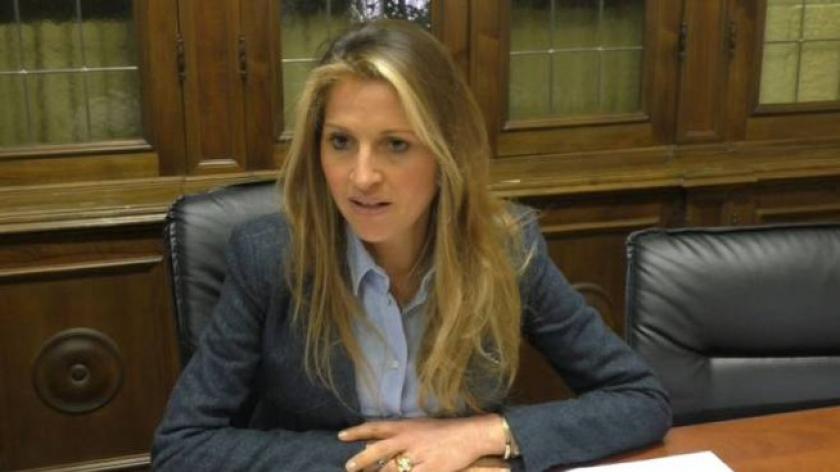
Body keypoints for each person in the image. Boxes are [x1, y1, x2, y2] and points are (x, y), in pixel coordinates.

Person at [152, 19, 671, 472]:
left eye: (396, 144)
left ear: (447, 154)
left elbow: (640, 399)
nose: (361, 177)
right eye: (341, 142)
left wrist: (487, 434)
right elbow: (183, 445)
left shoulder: (505, 249)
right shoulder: (269, 257)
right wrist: (390, 461)